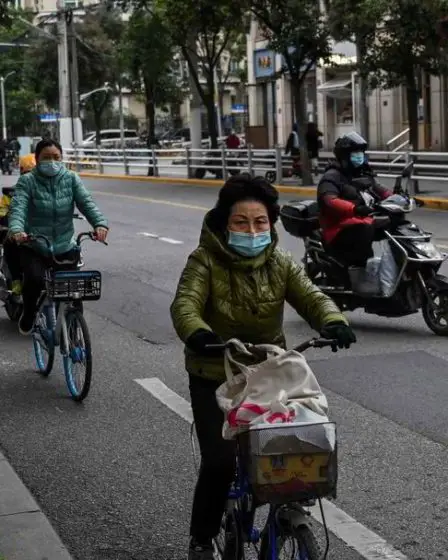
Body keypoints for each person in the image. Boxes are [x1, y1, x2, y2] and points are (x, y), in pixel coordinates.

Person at [170, 173, 356, 560]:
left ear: (270, 224)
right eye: (241, 222)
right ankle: (202, 539)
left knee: (296, 446)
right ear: (225, 223)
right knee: (220, 463)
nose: (252, 230)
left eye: (260, 222)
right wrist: (197, 332)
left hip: (270, 376)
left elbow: (312, 295)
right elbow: (184, 304)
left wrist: (333, 320)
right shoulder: (204, 260)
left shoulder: (281, 261)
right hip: (214, 374)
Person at [8, 138, 109, 335]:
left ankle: (74, 334)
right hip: (34, 244)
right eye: (46, 158)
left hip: (64, 244)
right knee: (35, 280)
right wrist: (17, 230)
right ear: (37, 159)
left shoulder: (71, 179)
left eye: (56, 157)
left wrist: (99, 224)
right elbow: (18, 208)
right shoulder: (27, 181)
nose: (52, 162)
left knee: (74, 289)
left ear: (62, 159)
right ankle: (28, 313)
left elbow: (86, 203)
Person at [317, 132, 392, 267]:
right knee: (364, 229)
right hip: (338, 228)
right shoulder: (332, 176)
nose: (359, 156)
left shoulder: (362, 174)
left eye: (361, 152)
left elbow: (380, 190)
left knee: (395, 223)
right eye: (355, 152)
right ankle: (360, 271)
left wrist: (399, 198)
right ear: (345, 156)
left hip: (361, 220)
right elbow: (330, 200)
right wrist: (354, 208)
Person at [0, 154, 38, 296]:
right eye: (28, 173)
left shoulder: (48, 189)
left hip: (42, 233)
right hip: (20, 233)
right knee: (10, 244)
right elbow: (3, 213)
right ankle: (16, 280)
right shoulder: (12, 193)